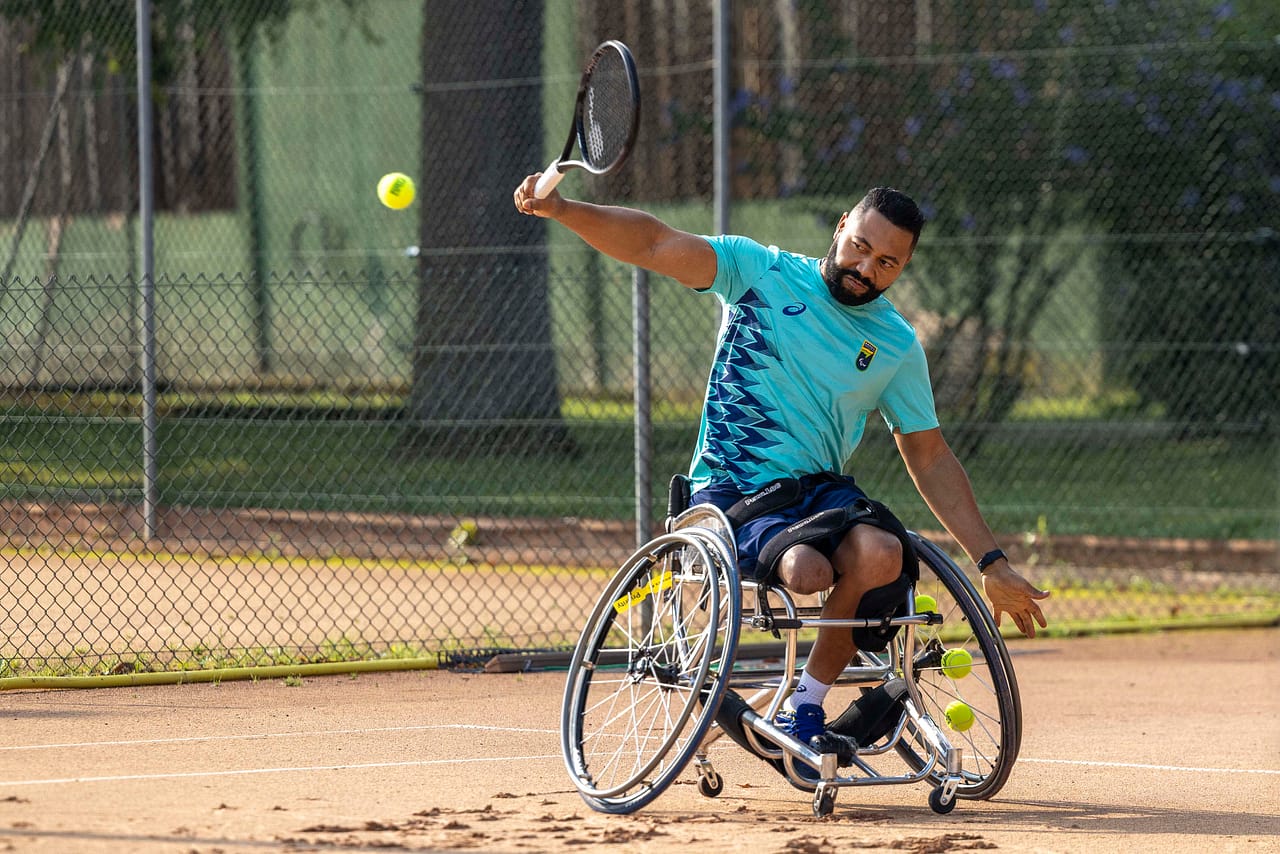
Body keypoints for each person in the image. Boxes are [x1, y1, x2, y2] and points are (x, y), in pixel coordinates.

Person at [513, 176, 1050, 759]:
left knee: (883, 554)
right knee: (806, 572)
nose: (866, 268)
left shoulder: (895, 345)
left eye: (888, 262)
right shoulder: (758, 272)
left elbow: (929, 455)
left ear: (905, 266)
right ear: (842, 225)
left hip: (819, 495)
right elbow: (651, 244)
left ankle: (806, 706)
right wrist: (563, 208)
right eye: (861, 247)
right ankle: (800, 690)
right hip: (732, 491)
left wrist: (990, 562)